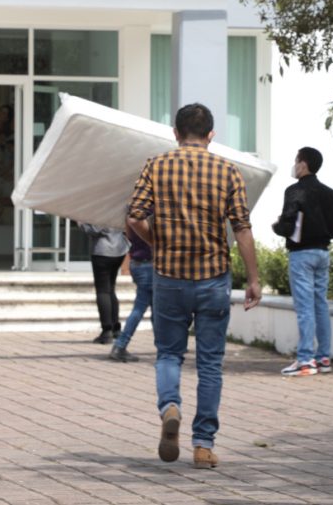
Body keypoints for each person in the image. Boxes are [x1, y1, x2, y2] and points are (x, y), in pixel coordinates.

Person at [127, 103, 263, 470]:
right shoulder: (228, 171)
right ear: (211, 135)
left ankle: (170, 406)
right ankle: (203, 445)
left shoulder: (156, 165)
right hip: (213, 278)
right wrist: (253, 278)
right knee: (210, 364)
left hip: (169, 277)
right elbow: (242, 228)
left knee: (169, 354)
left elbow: (135, 216)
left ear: (175, 133)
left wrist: (156, 241)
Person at [271, 147, 333, 376]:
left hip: (301, 254)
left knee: (304, 308)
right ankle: (323, 358)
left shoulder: (295, 191)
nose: (294, 165)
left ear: (303, 164)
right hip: (323, 252)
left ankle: (305, 360)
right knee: (320, 304)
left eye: (296, 161)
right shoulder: (331, 194)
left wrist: (277, 226)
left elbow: (287, 224)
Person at [109, 222, 154, 363]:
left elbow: (129, 235)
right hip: (149, 264)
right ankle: (120, 345)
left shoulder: (131, 212)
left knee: (156, 307)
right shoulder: (151, 213)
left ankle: (166, 346)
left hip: (136, 262)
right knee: (141, 307)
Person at [78, 222, 130, 344]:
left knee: (103, 291)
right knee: (110, 289)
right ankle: (116, 328)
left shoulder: (103, 211)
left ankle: (106, 331)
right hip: (119, 249)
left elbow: (95, 229)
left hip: (103, 251)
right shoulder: (118, 209)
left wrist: (80, 223)